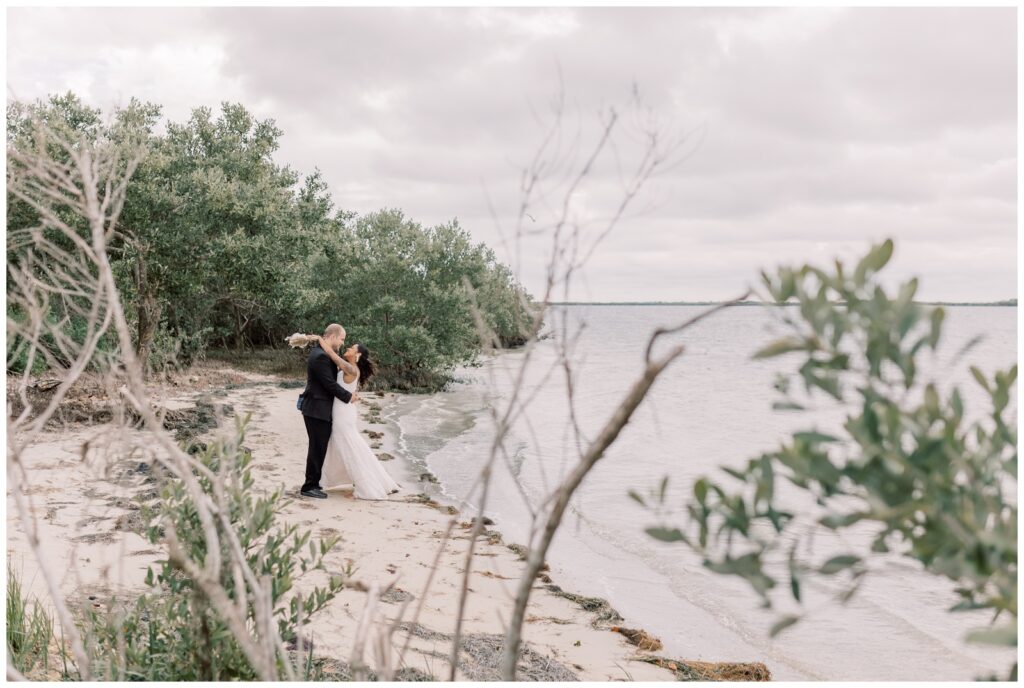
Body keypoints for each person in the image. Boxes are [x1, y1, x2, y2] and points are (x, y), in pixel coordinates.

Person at [315, 337, 401, 500]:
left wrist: (320, 339)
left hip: (343, 414)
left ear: (358, 355)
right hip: (342, 410)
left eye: (352, 347)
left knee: (350, 447)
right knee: (352, 445)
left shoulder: (351, 369)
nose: (348, 347)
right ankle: (376, 479)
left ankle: (366, 485)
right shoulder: (349, 368)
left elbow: (332, 354)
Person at [297, 324, 354, 498]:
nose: (342, 343)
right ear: (333, 336)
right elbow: (329, 384)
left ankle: (314, 483)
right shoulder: (320, 356)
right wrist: (348, 396)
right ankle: (309, 487)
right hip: (316, 408)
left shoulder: (322, 353)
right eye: (342, 339)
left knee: (319, 447)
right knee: (317, 447)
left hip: (317, 408)